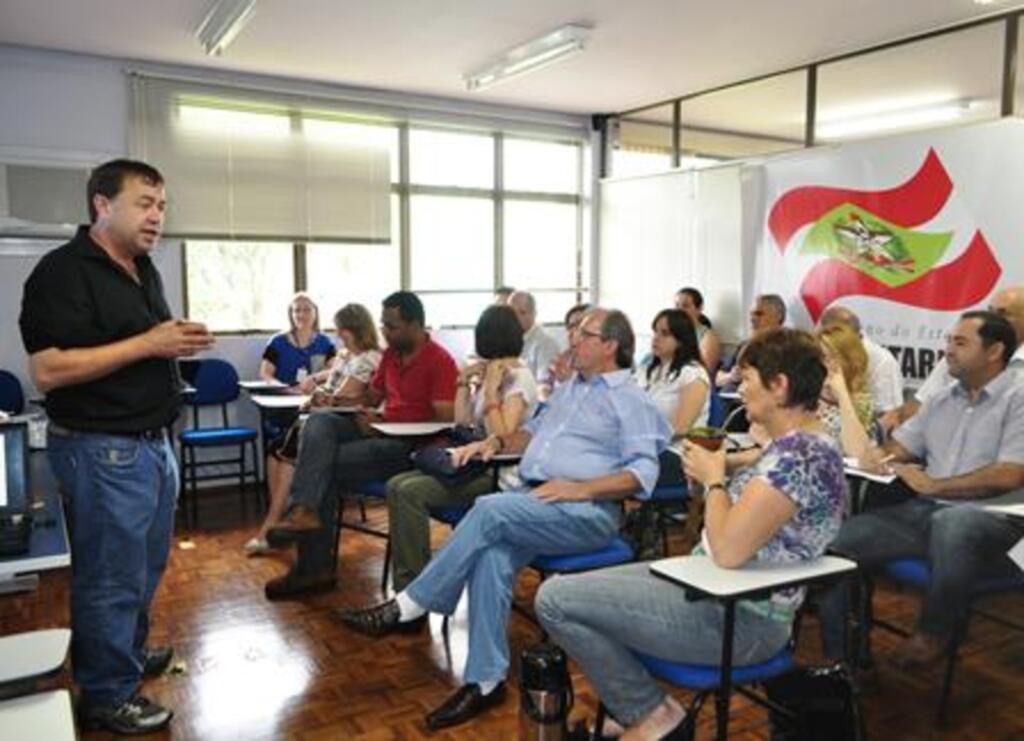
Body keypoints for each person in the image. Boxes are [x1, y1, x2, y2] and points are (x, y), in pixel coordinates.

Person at [337, 309, 669, 731]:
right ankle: (485, 680)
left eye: (584, 334)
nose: (572, 339)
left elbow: (642, 475)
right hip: (539, 500)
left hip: (587, 512)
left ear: (611, 346)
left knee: (489, 508)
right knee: (492, 555)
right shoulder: (572, 389)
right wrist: (492, 443)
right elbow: (531, 433)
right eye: (573, 331)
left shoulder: (631, 400)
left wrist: (581, 488)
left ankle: (411, 604)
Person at [535, 328, 845, 739]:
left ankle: (651, 714)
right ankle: (641, 710)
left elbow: (729, 550)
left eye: (748, 379)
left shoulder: (800, 457)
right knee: (568, 594)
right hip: (710, 589)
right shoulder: (799, 446)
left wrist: (714, 478)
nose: (739, 387)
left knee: (556, 599)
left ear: (780, 386)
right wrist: (724, 469)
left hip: (741, 620)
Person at [19, 159, 215, 734]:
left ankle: (122, 652)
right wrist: (149, 343)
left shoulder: (141, 268)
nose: (156, 216)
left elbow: (141, 344)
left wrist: (173, 342)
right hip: (103, 449)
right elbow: (48, 370)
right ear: (102, 206)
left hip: (152, 444)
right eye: (144, 204)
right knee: (110, 577)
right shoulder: (62, 273)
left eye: (162, 206)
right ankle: (106, 693)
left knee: (142, 568)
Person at [818, 311, 1024, 671]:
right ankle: (844, 656)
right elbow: (901, 447)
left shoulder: (1018, 398)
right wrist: (881, 457)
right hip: (928, 512)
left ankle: (934, 633)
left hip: (999, 522)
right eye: (948, 341)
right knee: (835, 544)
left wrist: (934, 485)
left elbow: (1010, 474)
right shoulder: (943, 399)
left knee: (955, 523)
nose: (948, 350)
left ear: (994, 352)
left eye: (960, 343)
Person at [263, 291, 458, 599]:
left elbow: (445, 419)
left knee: (319, 464)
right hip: (380, 430)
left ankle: (313, 565)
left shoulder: (440, 361)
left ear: (415, 325)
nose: (385, 333)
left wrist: (386, 420)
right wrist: (337, 402)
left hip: (409, 446)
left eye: (392, 326)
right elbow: (372, 396)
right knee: (318, 423)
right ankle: (303, 512)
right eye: (383, 325)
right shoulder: (391, 356)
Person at [386, 304, 538, 590]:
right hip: (473, 462)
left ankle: (412, 589)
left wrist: (491, 392)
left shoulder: (519, 377)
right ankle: (409, 585)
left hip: (499, 474)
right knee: (395, 484)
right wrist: (463, 385)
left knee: (408, 492)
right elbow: (462, 426)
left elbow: (502, 438)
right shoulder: (491, 370)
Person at [244, 303, 382, 556]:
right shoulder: (345, 356)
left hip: (348, 423)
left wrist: (319, 397)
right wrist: (319, 394)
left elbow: (342, 396)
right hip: (329, 417)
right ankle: (284, 517)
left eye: (341, 330)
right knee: (275, 453)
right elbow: (330, 391)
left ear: (354, 330)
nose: (338, 335)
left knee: (290, 455)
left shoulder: (370, 358)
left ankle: (273, 524)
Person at [886, 285, 1024, 428]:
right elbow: (921, 405)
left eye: (1002, 314)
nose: (992, 321)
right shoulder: (962, 354)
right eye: (990, 312)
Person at [636, 309, 710, 486]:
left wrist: (639, 440)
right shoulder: (647, 370)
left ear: (681, 340)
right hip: (645, 448)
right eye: (655, 331)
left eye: (664, 334)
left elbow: (681, 428)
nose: (655, 338)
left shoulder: (693, 374)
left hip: (677, 453)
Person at [818, 305, 903, 430]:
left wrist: (842, 395)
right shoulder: (815, 358)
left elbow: (891, 417)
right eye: (824, 356)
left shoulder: (882, 361)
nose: (827, 362)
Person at [815, 323, 876, 460]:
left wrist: (842, 393)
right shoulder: (805, 395)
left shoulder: (862, 403)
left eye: (829, 357)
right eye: (819, 358)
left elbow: (858, 453)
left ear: (850, 361)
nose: (823, 364)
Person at [259, 292, 336, 390]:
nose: (302, 315)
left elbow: (335, 370)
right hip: (283, 395)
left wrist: (314, 379)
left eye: (307, 310)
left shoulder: (326, 342)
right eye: (297, 310)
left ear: (315, 313)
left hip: (313, 395)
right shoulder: (276, 342)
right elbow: (265, 374)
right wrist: (284, 390)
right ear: (291, 315)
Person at [715, 293, 786, 389]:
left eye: (759, 314)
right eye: (751, 314)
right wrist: (731, 376)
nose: (752, 319)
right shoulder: (745, 345)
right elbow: (718, 379)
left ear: (778, 316)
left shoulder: (788, 348)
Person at [540, 302, 590, 399]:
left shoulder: (600, 361)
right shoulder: (563, 358)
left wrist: (570, 382)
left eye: (579, 325)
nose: (573, 331)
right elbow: (543, 385)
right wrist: (545, 396)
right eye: (570, 327)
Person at [509, 290, 561, 383]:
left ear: (534, 313)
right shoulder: (507, 339)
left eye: (522, 312)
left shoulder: (546, 344)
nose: (516, 318)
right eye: (511, 313)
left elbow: (544, 384)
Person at [675, 286, 721, 373]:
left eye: (685, 306)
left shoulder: (708, 337)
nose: (679, 310)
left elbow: (706, 372)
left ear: (699, 308)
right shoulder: (671, 331)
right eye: (677, 305)